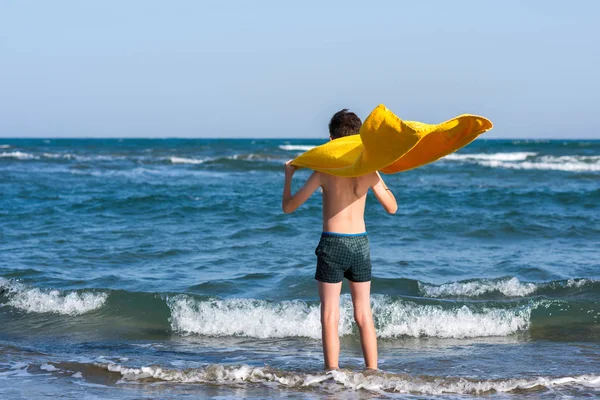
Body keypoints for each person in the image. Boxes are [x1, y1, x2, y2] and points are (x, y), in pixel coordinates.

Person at [282, 109, 397, 371]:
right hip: (360, 245)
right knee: (363, 314)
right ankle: (373, 371)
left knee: (330, 315)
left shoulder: (324, 171)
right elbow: (392, 208)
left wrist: (288, 176)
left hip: (332, 244)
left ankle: (332, 373)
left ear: (331, 139)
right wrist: (378, 176)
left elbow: (288, 207)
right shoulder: (370, 172)